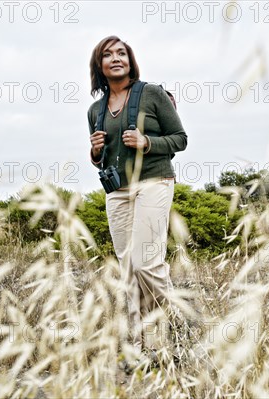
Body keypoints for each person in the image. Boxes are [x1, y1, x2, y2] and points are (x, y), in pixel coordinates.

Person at [87, 35, 187, 353]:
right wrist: (94, 152)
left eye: (122, 53)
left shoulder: (153, 94)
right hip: (117, 192)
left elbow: (180, 139)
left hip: (154, 182)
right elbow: (103, 159)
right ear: (99, 65)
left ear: (130, 61)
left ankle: (174, 321)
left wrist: (148, 143)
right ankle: (143, 345)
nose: (116, 58)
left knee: (146, 263)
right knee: (128, 270)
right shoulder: (95, 110)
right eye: (108, 54)